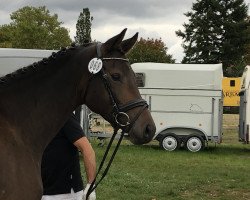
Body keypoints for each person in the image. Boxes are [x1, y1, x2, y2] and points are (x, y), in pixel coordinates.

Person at [41, 113, 96, 200]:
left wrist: (91, 185)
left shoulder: (64, 117)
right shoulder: (34, 117)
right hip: (41, 189)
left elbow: (87, 149)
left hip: (65, 193)